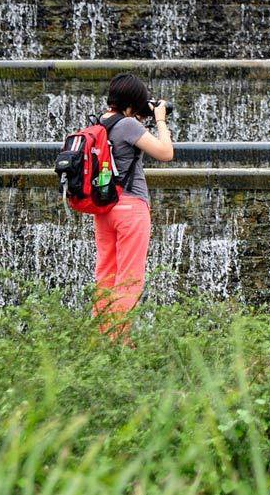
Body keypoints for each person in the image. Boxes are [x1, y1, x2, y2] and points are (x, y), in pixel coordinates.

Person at [93, 72, 174, 339]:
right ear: (133, 101)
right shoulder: (128, 125)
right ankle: (118, 340)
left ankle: (100, 337)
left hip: (104, 209)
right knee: (129, 279)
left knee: (106, 274)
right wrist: (160, 120)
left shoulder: (100, 122)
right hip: (131, 210)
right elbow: (166, 153)